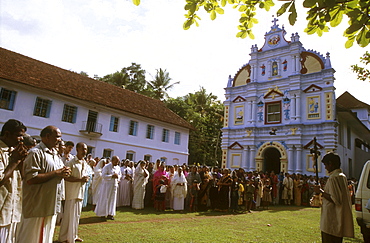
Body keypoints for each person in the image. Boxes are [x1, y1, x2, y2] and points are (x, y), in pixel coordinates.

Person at [16, 126, 71, 243]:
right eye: (57, 137)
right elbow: (31, 178)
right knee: (32, 237)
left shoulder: (55, 155)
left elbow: (57, 173)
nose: (60, 140)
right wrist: (56, 173)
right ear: (47, 137)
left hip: (51, 206)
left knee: (47, 237)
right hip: (38, 207)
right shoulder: (35, 153)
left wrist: (63, 173)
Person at [314, 152, 354, 243]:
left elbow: (336, 199)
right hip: (338, 218)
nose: (325, 167)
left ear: (330, 164)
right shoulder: (342, 176)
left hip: (331, 219)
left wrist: (320, 192)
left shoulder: (333, 178)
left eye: (326, 165)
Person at [0, 119, 28, 243]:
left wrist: (20, 161)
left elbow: (22, 177)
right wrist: (15, 161)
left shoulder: (13, 151)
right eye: (19, 136)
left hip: (12, 210)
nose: (21, 140)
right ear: (7, 134)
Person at [58, 142, 89, 243]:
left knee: (76, 216)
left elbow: (85, 176)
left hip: (80, 193)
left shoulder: (85, 163)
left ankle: (74, 235)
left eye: (86, 149)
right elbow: (66, 177)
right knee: (68, 216)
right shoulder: (71, 162)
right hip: (71, 193)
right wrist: (80, 179)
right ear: (78, 149)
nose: (85, 151)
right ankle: (64, 237)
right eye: (83, 149)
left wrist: (86, 179)